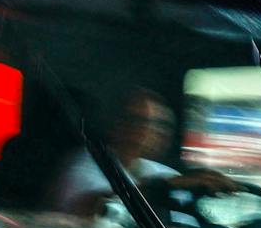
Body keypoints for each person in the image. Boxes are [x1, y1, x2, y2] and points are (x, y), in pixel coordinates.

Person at [51, 88, 240, 218]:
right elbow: (93, 207)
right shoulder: (85, 165)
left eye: (162, 125)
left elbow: (185, 210)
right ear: (117, 125)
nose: (154, 132)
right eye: (139, 121)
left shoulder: (159, 172)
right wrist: (164, 187)